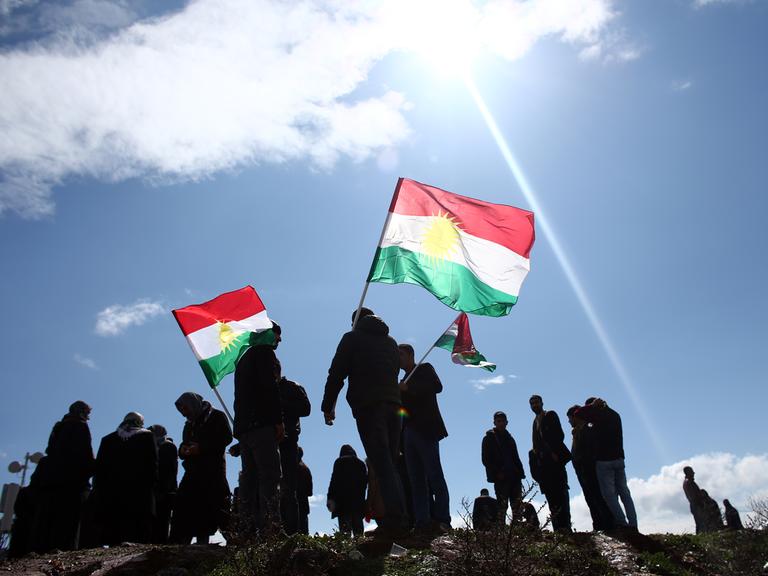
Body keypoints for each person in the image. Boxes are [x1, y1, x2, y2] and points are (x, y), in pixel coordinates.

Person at [321, 307, 406, 541]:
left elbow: (336, 373)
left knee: (382, 463)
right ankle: (399, 517)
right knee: (390, 463)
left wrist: (328, 405)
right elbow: (393, 371)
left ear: (355, 322)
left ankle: (395, 520)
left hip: (369, 405)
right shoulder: (391, 342)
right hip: (393, 405)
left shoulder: (351, 338)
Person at [233, 321, 284, 535]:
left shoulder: (243, 358)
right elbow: (269, 389)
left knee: (249, 479)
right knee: (270, 475)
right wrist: (278, 420)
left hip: (245, 428)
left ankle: (244, 529)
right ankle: (271, 528)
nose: (279, 339)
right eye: (277, 334)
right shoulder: (265, 354)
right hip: (261, 425)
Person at [398, 343, 451, 534]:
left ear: (411, 354)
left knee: (434, 475)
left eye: (401, 354)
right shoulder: (402, 380)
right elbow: (401, 412)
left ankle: (443, 519)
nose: (399, 358)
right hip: (409, 433)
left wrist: (408, 389)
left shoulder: (424, 369)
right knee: (416, 480)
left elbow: (437, 387)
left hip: (426, 429)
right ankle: (422, 521)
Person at [31, 400, 96, 552]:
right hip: (72, 481)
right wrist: (92, 469)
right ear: (81, 412)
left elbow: (50, 449)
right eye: (87, 413)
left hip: (52, 479)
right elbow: (83, 453)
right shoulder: (80, 426)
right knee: (68, 522)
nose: (88, 417)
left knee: (48, 520)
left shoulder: (59, 427)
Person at [170, 392, 233, 544]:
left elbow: (226, 438)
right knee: (186, 508)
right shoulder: (189, 424)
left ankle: (234, 542)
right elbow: (185, 443)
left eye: (186, 408)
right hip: (192, 473)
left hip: (212, 471)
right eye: (181, 411)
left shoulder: (217, 416)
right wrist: (183, 450)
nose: (184, 413)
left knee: (216, 507)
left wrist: (202, 448)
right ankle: (180, 545)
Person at [92, 412, 157, 545]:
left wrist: (99, 489)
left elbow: (99, 468)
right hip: (138, 491)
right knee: (136, 532)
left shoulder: (108, 439)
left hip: (111, 493)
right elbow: (152, 464)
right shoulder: (146, 436)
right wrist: (152, 487)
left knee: (114, 531)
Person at [575, 398, 637, 530]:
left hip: (604, 460)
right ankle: (633, 523)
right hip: (619, 458)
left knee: (609, 495)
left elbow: (579, 413)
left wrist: (591, 406)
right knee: (624, 493)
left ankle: (622, 523)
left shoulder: (597, 416)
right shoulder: (615, 414)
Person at [277, 359, 311, 535]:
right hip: (269, 442)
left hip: (288, 440)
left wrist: (281, 403)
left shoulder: (292, 386)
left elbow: (306, 409)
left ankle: (292, 532)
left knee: (289, 488)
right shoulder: (264, 389)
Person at [566, 405, 613, 531]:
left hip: (589, 470)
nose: (569, 421)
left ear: (575, 417)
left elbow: (588, 451)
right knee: (590, 498)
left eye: (570, 418)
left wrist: (585, 465)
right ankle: (598, 524)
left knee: (597, 497)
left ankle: (607, 524)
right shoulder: (579, 431)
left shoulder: (588, 429)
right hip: (583, 471)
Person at [529, 395, 572, 533]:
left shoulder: (550, 415)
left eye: (536, 402)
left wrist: (553, 452)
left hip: (555, 462)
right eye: (532, 403)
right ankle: (558, 529)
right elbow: (536, 443)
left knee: (561, 494)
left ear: (542, 402)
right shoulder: (535, 422)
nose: (534, 405)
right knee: (552, 498)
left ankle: (566, 527)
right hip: (544, 466)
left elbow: (559, 435)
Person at [481, 411, 526, 524]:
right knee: (502, 506)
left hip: (514, 476)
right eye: (498, 421)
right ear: (495, 422)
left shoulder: (510, 438)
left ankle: (518, 531)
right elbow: (486, 459)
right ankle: (501, 532)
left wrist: (520, 472)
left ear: (506, 422)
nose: (501, 423)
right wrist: (497, 472)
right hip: (501, 477)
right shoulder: (489, 438)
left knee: (517, 506)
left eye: (502, 421)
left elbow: (516, 456)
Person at [327, 444, 368, 536]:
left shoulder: (339, 462)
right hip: (358, 504)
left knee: (345, 534)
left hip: (343, 504)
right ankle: (360, 549)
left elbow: (334, 482)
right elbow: (365, 483)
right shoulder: (361, 464)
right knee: (359, 533)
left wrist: (330, 498)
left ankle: (347, 550)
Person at [148, 424, 178, 544]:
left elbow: (168, 470)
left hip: (164, 491)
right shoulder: (155, 447)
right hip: (157, 489)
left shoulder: (167, 446)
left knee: (162, 520)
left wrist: (163, 489)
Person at [682, 466, 705, 533]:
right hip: (696, 505)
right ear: (688, 472)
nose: (693, 473)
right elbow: (693, 496)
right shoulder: (688, 482)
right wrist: (700, 504)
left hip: (695, 505)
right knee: (701, 524)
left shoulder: (688, 482)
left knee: (700, 524)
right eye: (692, 471)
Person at [296, 446, 313, 534]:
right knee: (304, 529)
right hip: (303, 502)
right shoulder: (306, 469)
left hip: (291, 502)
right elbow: (310, 492)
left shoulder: (289, 469)